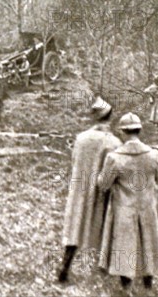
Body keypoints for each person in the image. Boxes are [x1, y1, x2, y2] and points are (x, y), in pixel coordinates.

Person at [97, 113, 158, 292]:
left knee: (124, 245)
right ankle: (148, 287)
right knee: (149, 242)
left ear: (123, 132)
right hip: (149, 207)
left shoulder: (114, 158)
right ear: (139, 130)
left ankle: (126, 289)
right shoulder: (154, 155)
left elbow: (103, 184)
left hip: (124, 208)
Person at [57, 97, 122, 283]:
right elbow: (113, 172)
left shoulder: (81, 138)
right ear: (110, 117)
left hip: (79, 188)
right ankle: (107, 267)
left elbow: (74, 161)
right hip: (100, 192)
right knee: (105, 226)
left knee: (75, 228)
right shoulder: (114, 143)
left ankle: (65, 266)